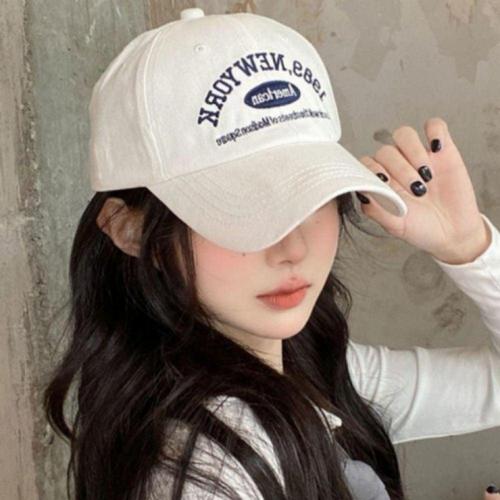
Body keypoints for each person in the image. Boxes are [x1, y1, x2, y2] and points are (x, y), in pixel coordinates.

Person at [43, 8, 500, 500]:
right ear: (131, 231)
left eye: (313, 197)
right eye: (242, 210)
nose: (292, 247)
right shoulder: (197, 470)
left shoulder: (313, 371)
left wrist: (468, 247)